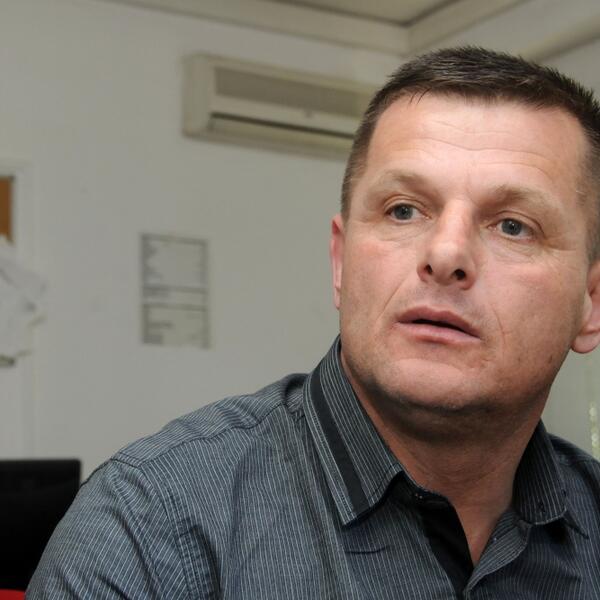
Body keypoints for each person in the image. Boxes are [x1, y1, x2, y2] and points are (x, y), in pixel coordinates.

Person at [29, 46, 600, 599]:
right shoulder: (148, 524)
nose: (445, 253)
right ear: (341, 262)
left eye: (513, 226)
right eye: (403, 210)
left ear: (591, 302)